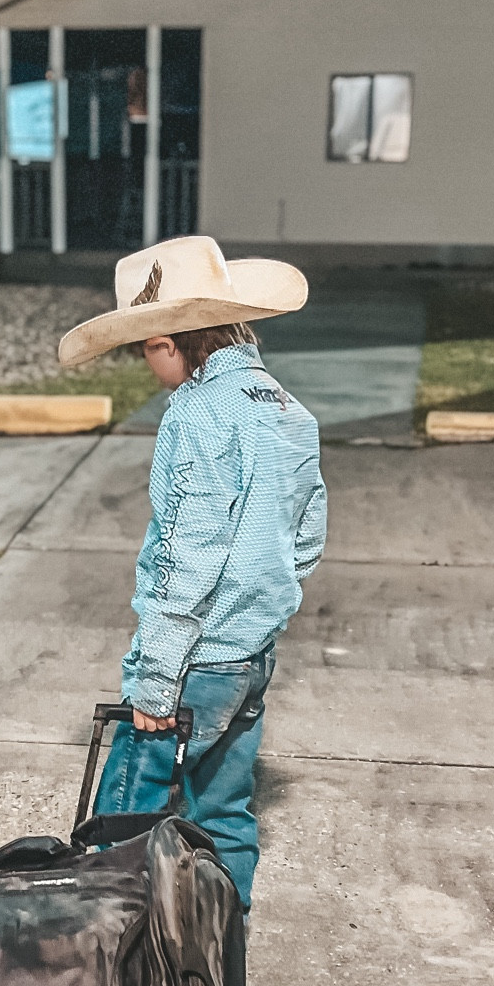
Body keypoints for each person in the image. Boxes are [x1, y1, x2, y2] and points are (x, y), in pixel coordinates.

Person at [58, 234, 327, 912]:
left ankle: (110, 951)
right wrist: (263, 604)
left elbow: (190, 553)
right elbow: (306, 538)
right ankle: (218, 944)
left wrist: (156, 679)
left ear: (167, 342)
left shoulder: (198, 412)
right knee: (225, 812)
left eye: (146, 350)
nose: (150, 366)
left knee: (123, 819)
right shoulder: (289, 410)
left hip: (195, 661)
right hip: (251, 656)